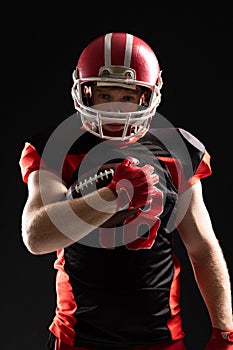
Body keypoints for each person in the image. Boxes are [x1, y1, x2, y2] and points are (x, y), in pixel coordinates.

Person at [19, 32, 233, 350]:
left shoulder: (176, 150)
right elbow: (37, 236)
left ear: (148, 96)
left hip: (161, 341)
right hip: (78, 339)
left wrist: (224, 332)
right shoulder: (56, 149)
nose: (117, 108)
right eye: (106, 96)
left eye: (128, 96)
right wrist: (112, 196)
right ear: (86, 92)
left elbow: (202, 248)